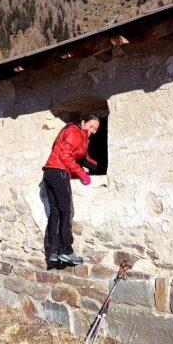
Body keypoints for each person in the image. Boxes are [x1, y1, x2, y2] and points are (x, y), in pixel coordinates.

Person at [42, 113, 100, 266]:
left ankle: (53, 252)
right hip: (59, 173)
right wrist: (80, 173)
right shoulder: (74, 132)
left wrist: (96, 167)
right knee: (66, 212)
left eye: (95, 129)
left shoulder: (82, 137)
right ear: (83, 122)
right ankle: (66, 251)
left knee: (55, 213)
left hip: (49, 173)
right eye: (91, 126)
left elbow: (84, 158)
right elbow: (65, 156)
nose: (93, 131)